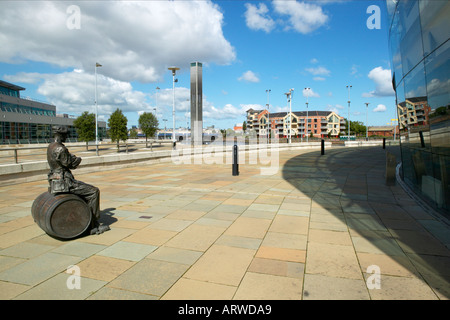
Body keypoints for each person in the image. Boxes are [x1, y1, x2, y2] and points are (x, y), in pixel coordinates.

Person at [47, 126, 109, 235]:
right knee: (94, 191)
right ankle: (93, 225)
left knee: (86, 191)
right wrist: (77, 159)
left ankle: (85, 218)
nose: (67, 137)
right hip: (65, 182)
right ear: (61, 135)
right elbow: (71, 164)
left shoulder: (50, 146)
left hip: (54, 181)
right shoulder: (61, 148)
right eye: (65, 135)